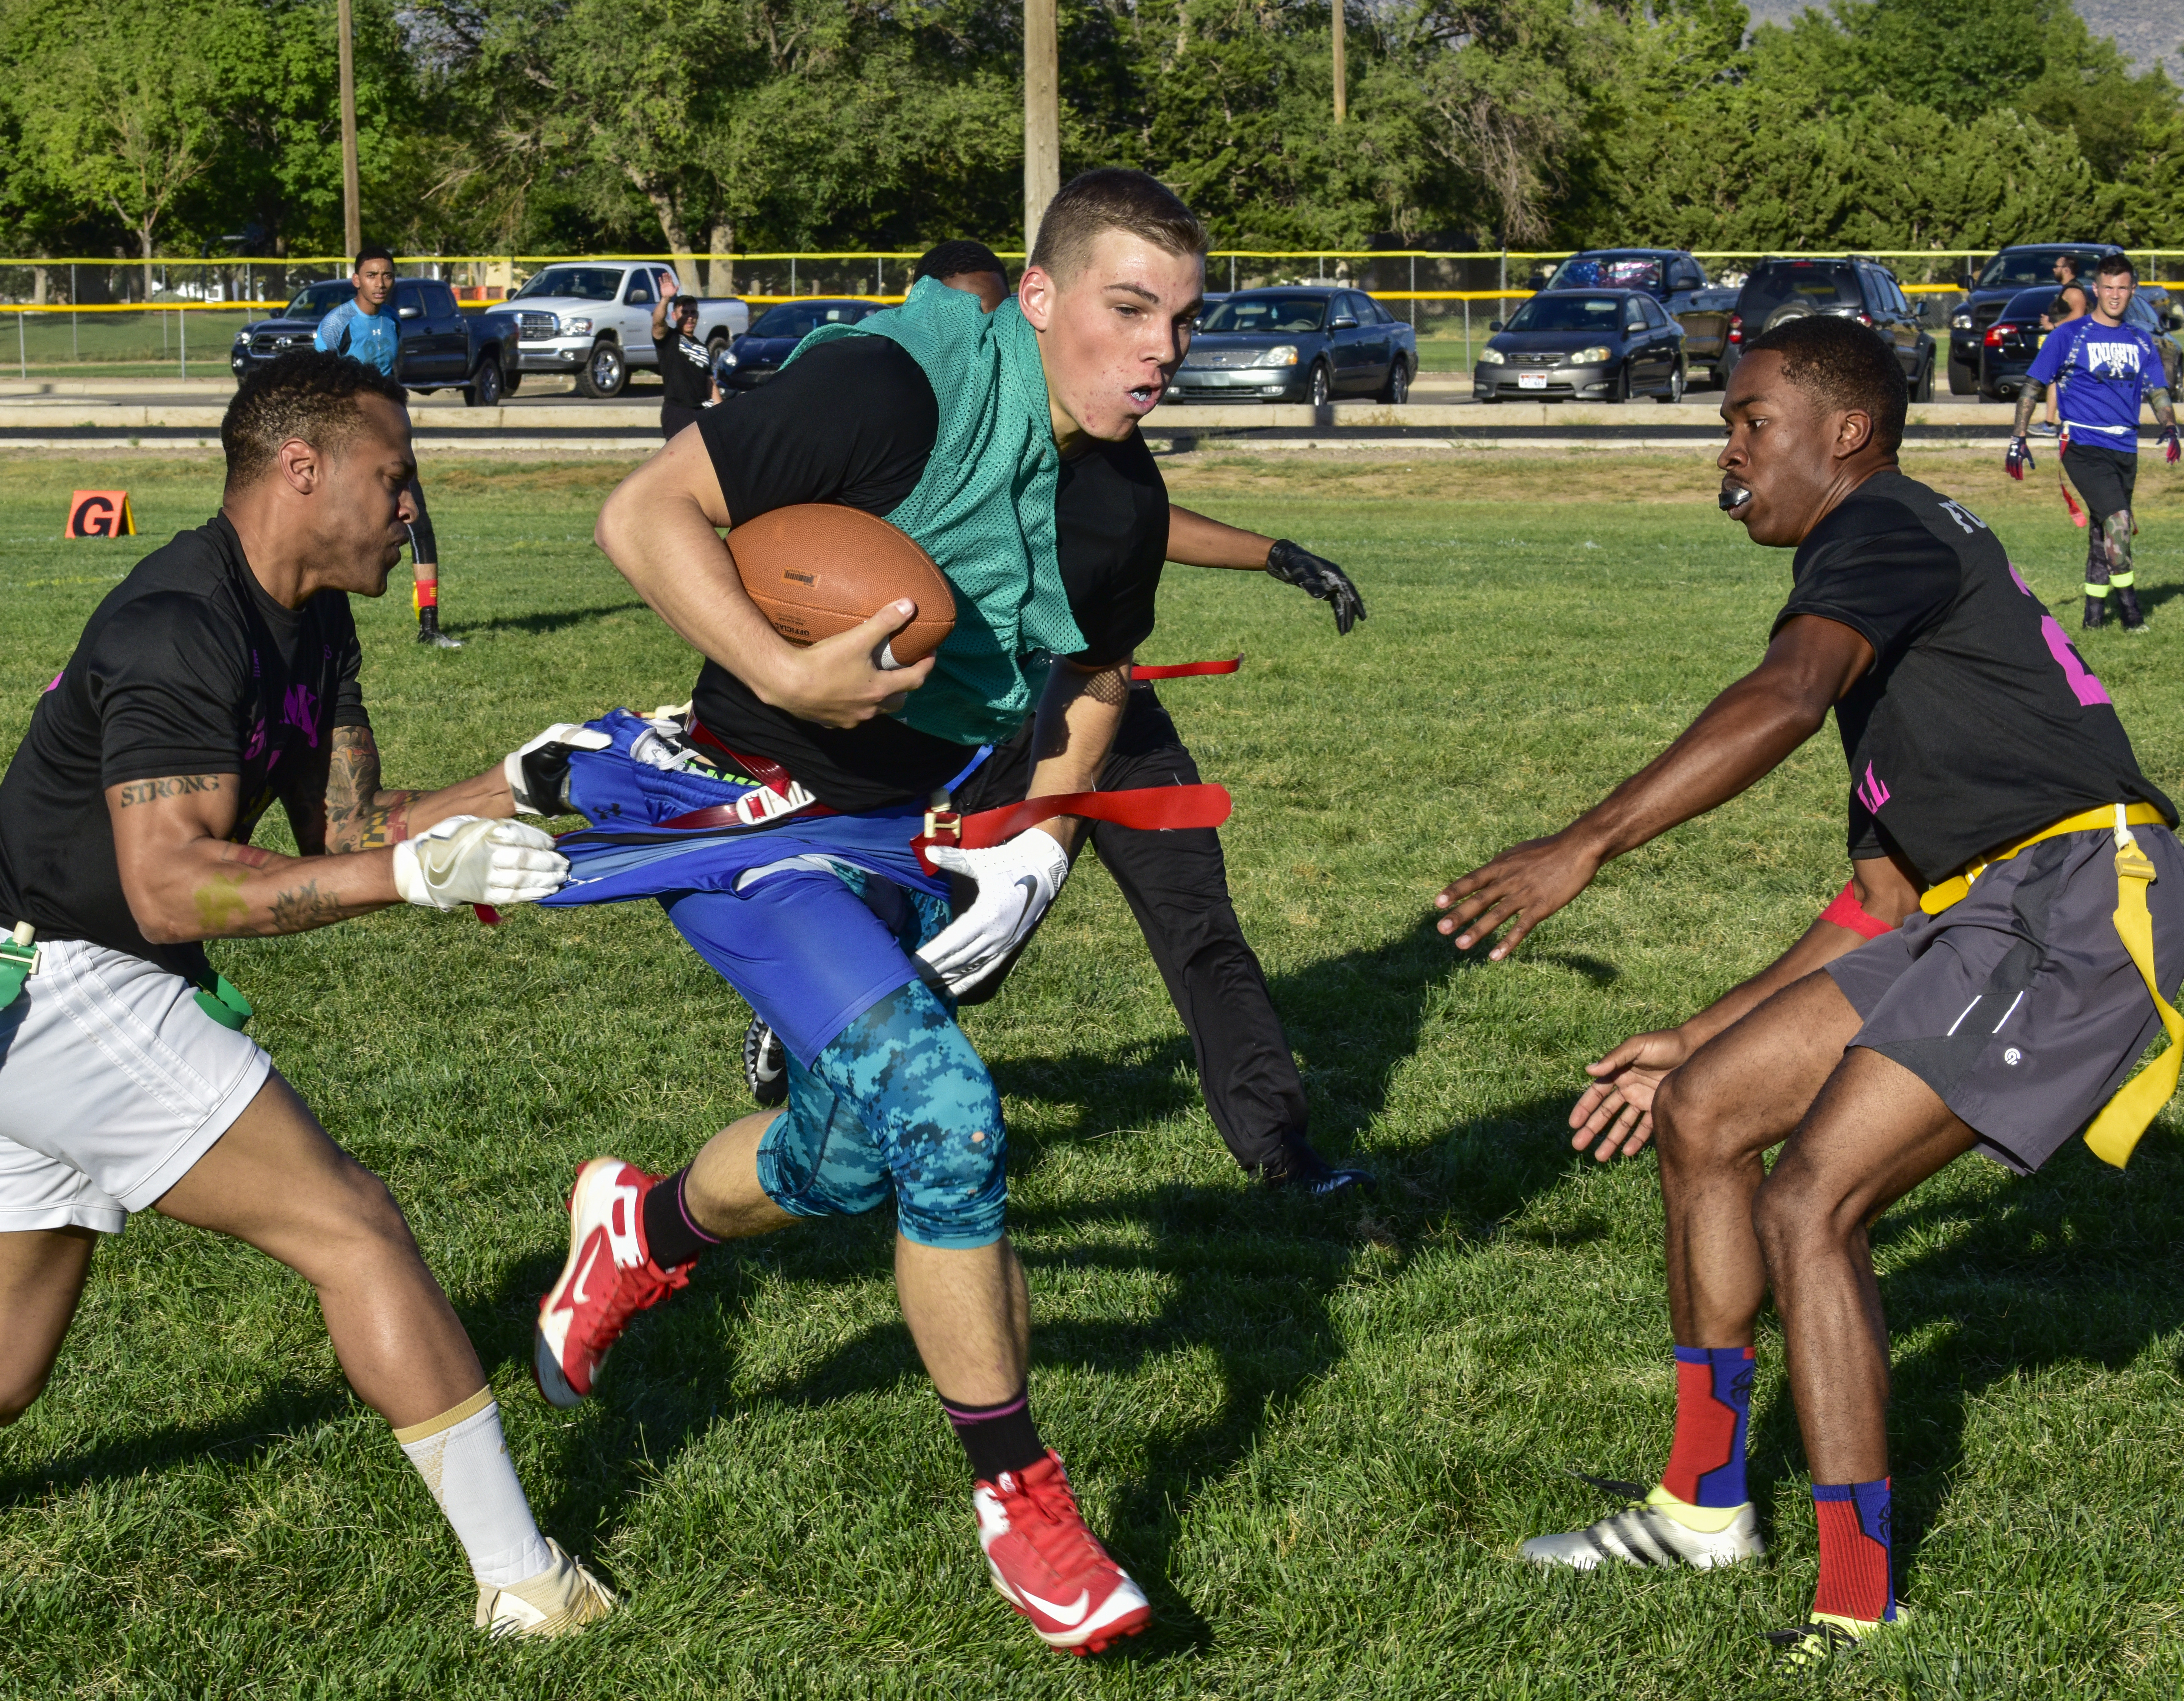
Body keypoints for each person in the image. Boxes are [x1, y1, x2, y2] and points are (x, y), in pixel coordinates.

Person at [0, 353, 611, 1639]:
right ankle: (528, 1583)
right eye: (395, 478)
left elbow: (353, 823)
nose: (414, 508)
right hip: (52, 980)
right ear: (306, 468)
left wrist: (537, 773)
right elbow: (174, 886)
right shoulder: (180, 618)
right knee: (355, 1228)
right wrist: (404, 880)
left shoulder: (317, 620)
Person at [526, 169, 1222, 1657]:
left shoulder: (1116, 493)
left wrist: (1025, 841)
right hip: (737, 806)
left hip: (895, 838)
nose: (1159, 349)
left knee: (849, 1152)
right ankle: (1024, 1502)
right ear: (1037, 300)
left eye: (1182, 319)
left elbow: (1089, 689)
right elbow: (645, 513)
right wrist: (781, 675)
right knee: (945, 1111)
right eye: (1126, 308)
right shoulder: (894, 386)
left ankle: (636, 1230)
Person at [1432, 316, 2182, 1660]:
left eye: (1749, 421)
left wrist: (1581, 843)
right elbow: (1882, 904)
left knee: (1809, 1198)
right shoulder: (1894, 603)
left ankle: (1859, 1595)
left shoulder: (1880, 528)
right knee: (1709, 1107)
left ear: (1844, 433)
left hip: (2079, 905)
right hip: (1982, 910)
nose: (1730, 453)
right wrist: (1697, 1031)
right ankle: (1705, 1502)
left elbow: (1783, 693)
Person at [739, 238, 1374, 1195]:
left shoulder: (1086, 420)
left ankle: (1279, 1146)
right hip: (987, 713)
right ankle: (826, 1025)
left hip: (1101, 695)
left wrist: (1271, 552)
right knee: (967, 944)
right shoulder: (907, 413)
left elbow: (1135, 528)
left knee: (1195, 912)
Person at [2008, 253, 2180, 631]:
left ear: (2132, 290)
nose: (2115, 295)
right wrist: (2019, 436)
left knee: (2104, 528)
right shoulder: (2068, 335)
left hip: (2125, 448)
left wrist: (2170, 426)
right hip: (2082, 446)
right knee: (2119, 520)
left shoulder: (2140, 339)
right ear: (2096, 290)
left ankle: (2092, 617)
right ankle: (2132, 614)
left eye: (2122, 288)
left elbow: (2158, 392)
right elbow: (2033, 387)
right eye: (2108, 288)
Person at [314, 245, 462, 647]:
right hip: (351, 442)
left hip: (391, 440)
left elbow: (391, 376)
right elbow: (320, 383)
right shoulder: (337, 323)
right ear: (356, 280)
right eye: (373, 275)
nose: (381, 283)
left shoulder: (394, 320)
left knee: (419, 524)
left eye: (388, 276)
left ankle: (429, 627)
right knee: (336, 529)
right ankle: (319, 625)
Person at [650, 272, 720, 440]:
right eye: (685, 313)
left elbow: (709, 382)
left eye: (693, 313)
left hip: (701, 411)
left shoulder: (702, 348)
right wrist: (666, 299)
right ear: (674, 316)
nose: (690, 317)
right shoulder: (669, 339)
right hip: (678, 412)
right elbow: (657, 323)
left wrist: (720, 411)